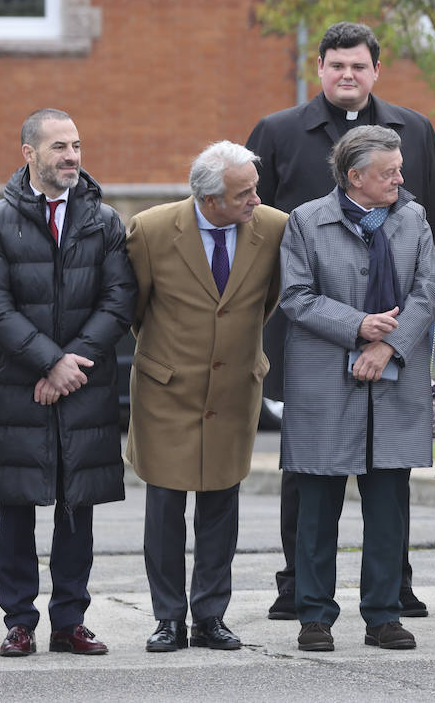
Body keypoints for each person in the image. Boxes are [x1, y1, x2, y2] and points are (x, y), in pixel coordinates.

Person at [246, 21, 435, 619]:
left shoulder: (413, 131)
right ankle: (300, 589)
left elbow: (428, 240)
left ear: (375, 70)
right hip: (310, 340)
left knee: (388, 482)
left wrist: (392, 339)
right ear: (321, 68)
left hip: (394, 340)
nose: (347, 75)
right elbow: (261, 233)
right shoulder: (279, 132)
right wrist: (354, 326)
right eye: (336, 66)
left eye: (358, 65)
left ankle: (391, 590)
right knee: (311, 477)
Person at [0, 108, 137, 657]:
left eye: (77, 145)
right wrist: (47, 363)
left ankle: (70, 621)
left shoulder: (104, 220)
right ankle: (19, 622)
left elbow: (119, 301)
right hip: (17, 386)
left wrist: (71, 366)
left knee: (76, 505)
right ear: (29, 154)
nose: (71, 156)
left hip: (82, 384)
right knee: (15, 507)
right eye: (59, 146)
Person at [279, 125, 435, 654]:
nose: (401, 178)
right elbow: (297, 297)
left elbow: (428, 290)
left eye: (399, 168)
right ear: (355, 177)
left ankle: (383, 615)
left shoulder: (413, 218)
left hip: (394, 378)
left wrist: (386, 346)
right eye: (389, 172)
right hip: (326, 381)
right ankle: (315, 616)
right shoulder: (307, 221)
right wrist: (359, 325)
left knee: (389, 506)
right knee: (317, 508)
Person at [125, 142, 290, 653]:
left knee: (221, 505)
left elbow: (268, 302)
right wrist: (170, 359)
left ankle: (210, 616)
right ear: (209, 199)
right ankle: (168, 618)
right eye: (244, 193)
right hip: (166, 392)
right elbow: (135, 308)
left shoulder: (274, 227)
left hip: (235, 388)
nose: (255, 200)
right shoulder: (151, 230)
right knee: (165, 507)